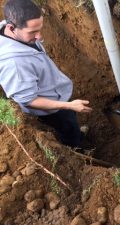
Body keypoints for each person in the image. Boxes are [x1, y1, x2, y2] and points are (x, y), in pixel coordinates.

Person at [0, 0, 92, 148]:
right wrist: (68, 106)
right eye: (32, 32)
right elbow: (29, 100)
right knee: (67, 127)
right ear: (12, 28)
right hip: (51, 109)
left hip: (55, 93)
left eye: (39, 29)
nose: (39, 37)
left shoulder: (9, 29)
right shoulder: (14, 65)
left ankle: (75, 134)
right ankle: (76, 147)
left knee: (70, 122)